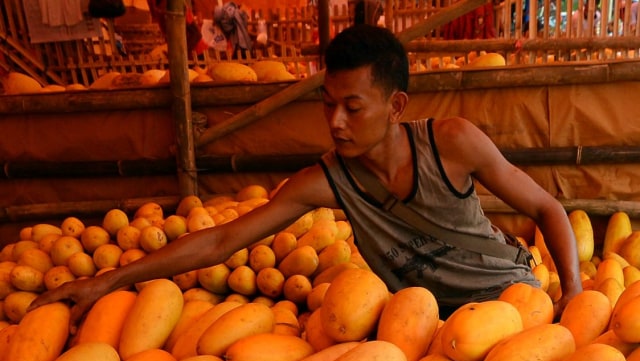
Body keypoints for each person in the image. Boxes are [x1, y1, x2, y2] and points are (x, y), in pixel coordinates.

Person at [30, 24, 582, 329]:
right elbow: (221, 241)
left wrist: (574, 300)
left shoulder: (452, 142)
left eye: (353, 107)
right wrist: (106, 282)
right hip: (426, 325)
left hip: (512, 302)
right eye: (328, 104)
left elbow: (547, 208)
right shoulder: (328, 181)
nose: (335, 122)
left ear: (395, 106)